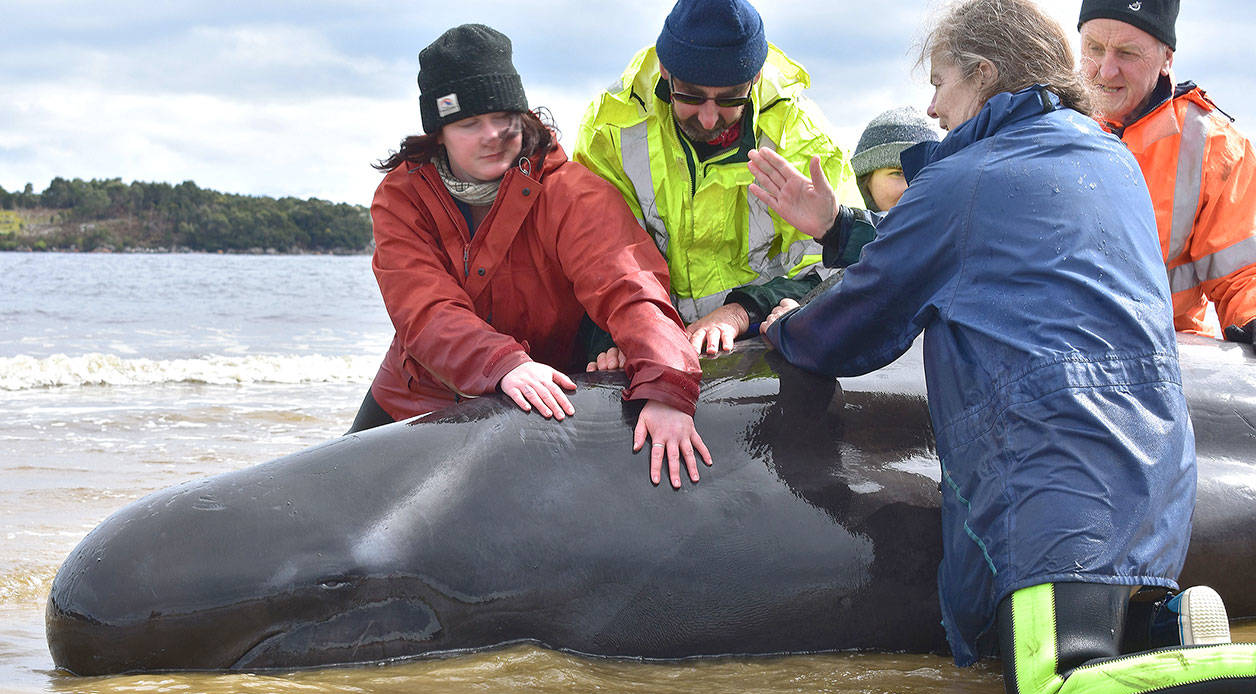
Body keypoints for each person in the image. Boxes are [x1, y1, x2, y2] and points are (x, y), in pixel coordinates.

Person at [750, 0, 1256, 694]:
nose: (930, 107)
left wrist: (785, 326)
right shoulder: (1106, 158)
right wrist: (840, 230)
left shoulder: (966, 180)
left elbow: (855, 326)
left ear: (983, 76)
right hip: (1154, 477)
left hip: (1057, 479)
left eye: (940, 81)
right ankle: (1170, 629)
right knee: (1113, 671)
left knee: (1054, 684)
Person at [349, 24, 711, 488]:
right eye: (468, 123)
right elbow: (424, 310)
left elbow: (630, 284)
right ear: (438, 132)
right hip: (415, 394)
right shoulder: (401, 196)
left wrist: (668, 388)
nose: (493, 135)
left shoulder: (569, 191)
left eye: (504, 116)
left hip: (529, 400)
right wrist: (503, 363)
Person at [574, 0, 862, 361]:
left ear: (755, 77)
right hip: (646, 345)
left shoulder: (805, 139)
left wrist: (741, 312)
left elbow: (839, 268)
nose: (709, 119)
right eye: (692, 96)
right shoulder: (610, 130)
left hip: (761, 347)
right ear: (666, 70)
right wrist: (616, 337)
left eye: (728, 99)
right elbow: (598, 257)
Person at [1077, 0, 1256, 343]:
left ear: (1166, 59)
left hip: (1170, 362)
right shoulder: (1039, 125)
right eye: (1094, 49)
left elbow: (1244, 275)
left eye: (1127, 53)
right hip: (1058, 355)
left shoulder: (1213, 147)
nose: (1105, 69)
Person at [850, 107, 940, 213]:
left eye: (924, 174)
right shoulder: (834, 226)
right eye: (898, 173)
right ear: (865, 180)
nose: (911, 188)